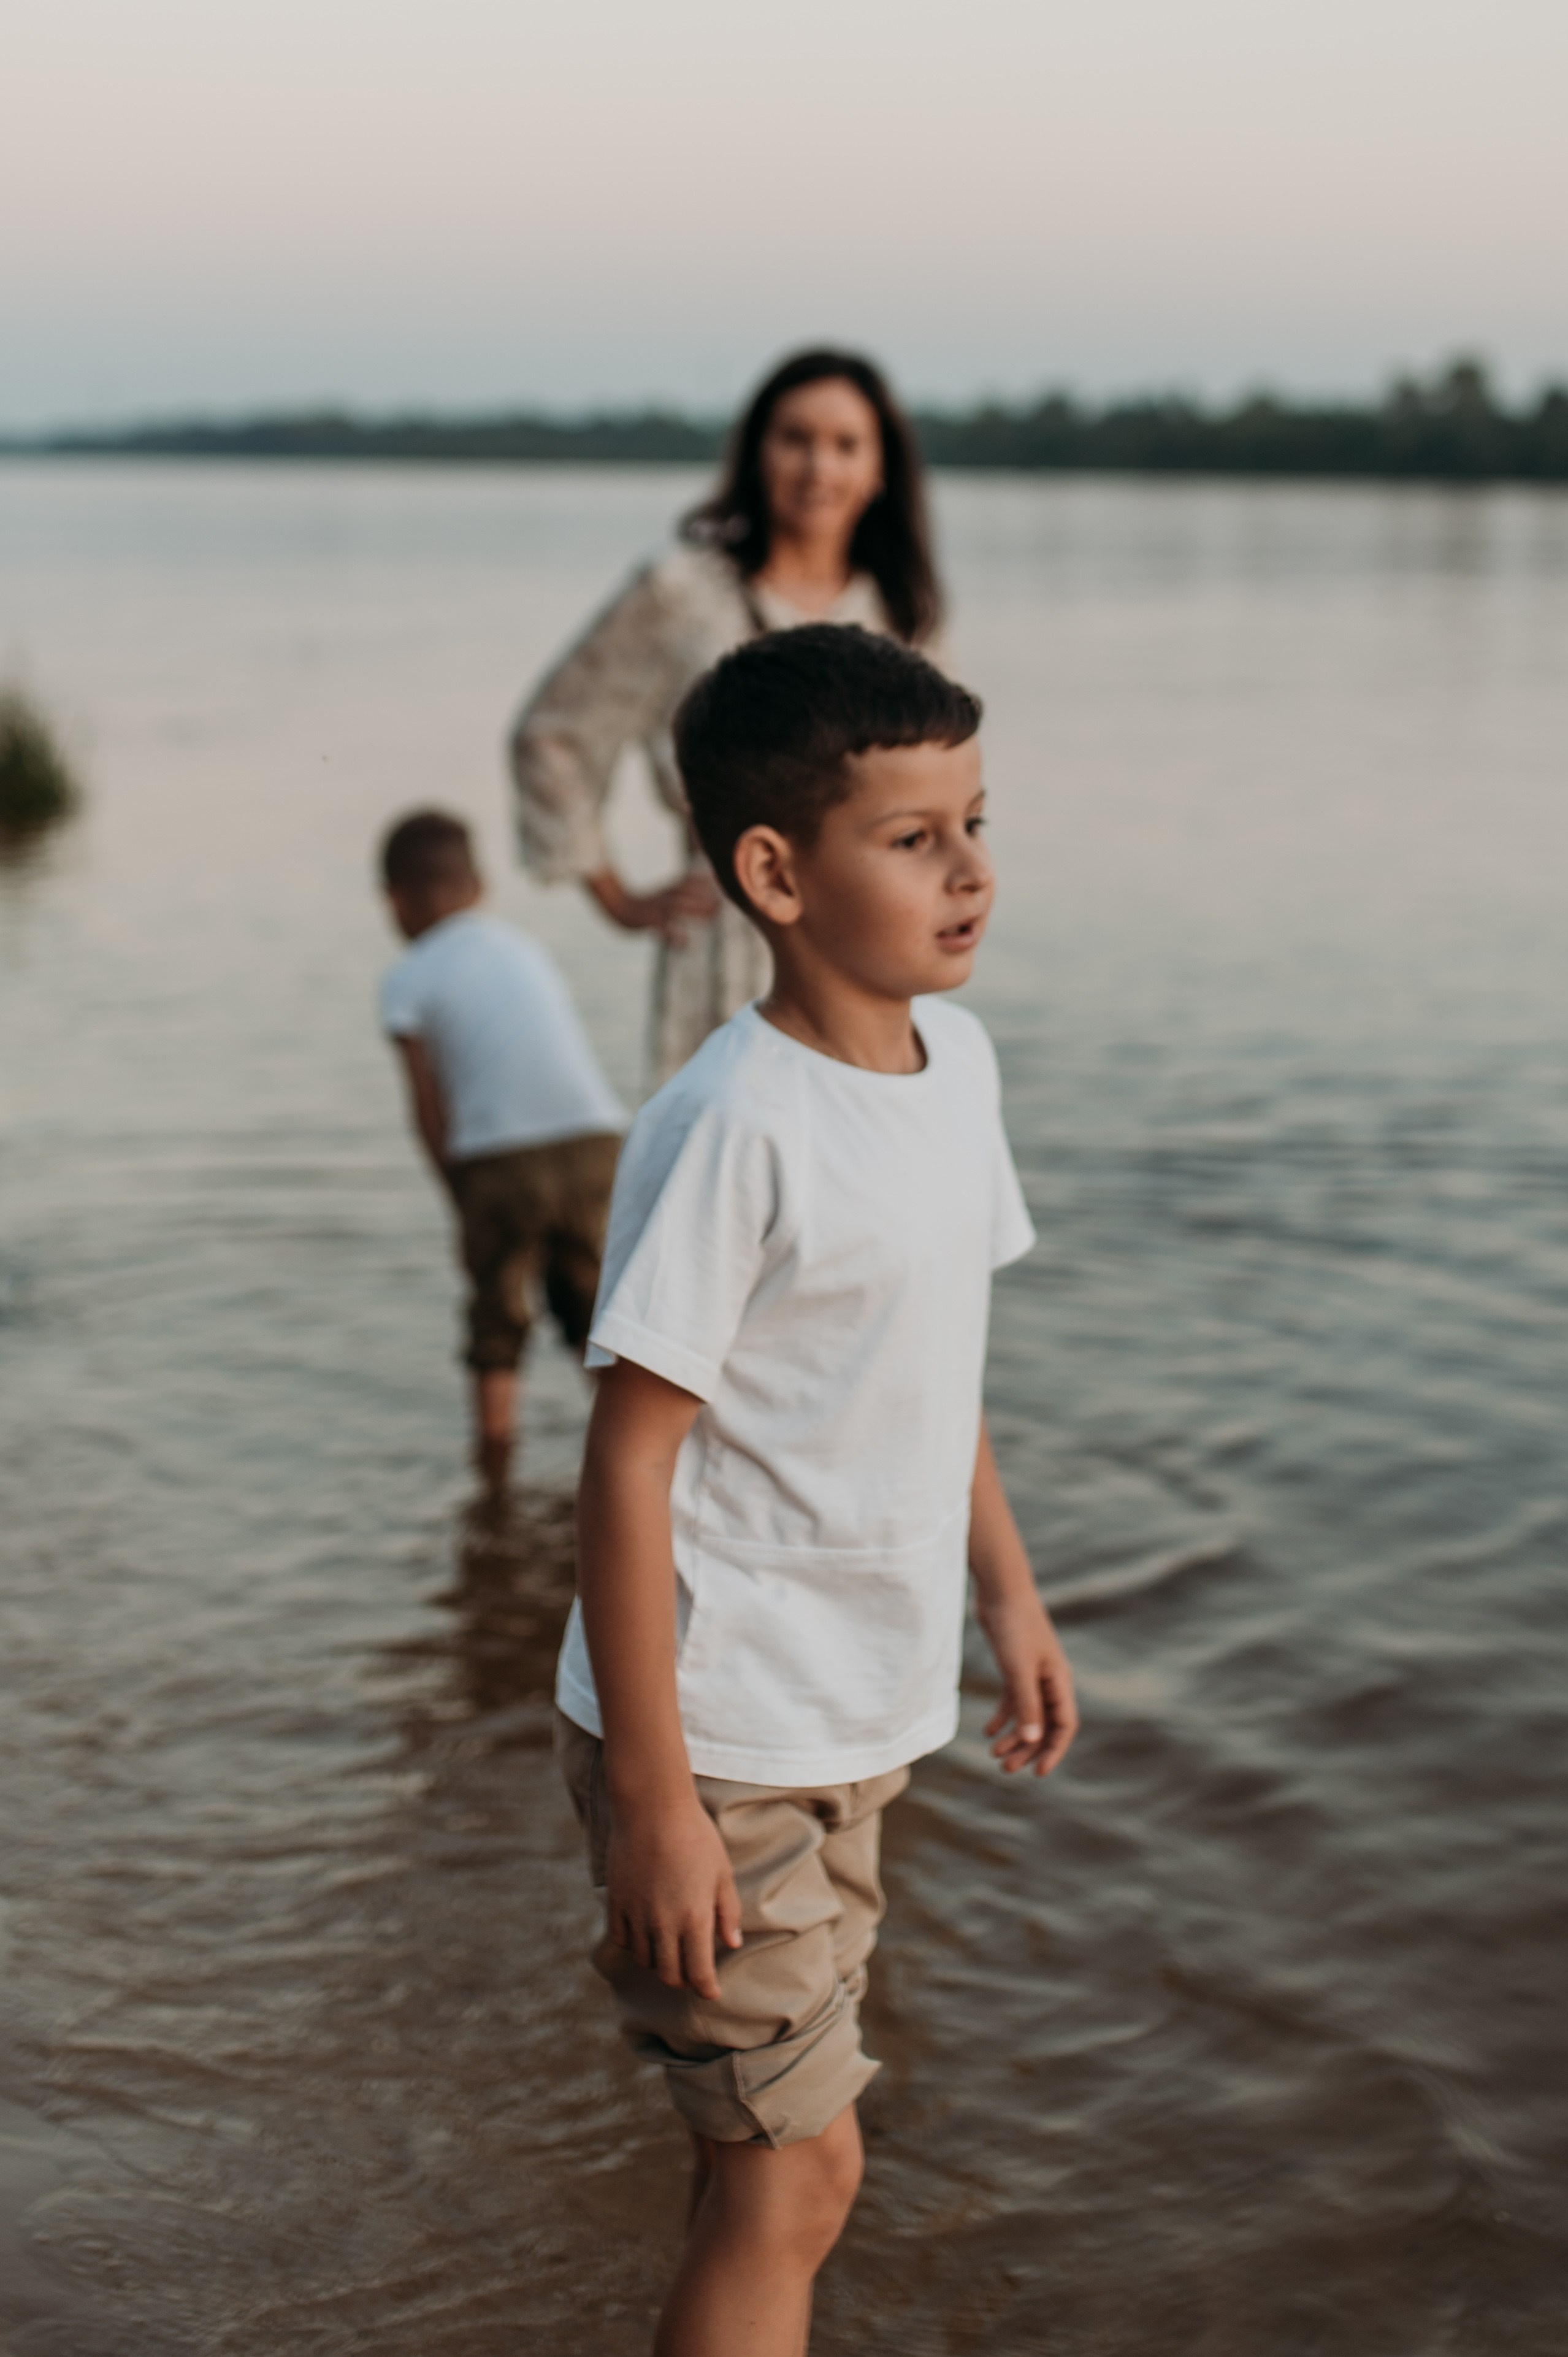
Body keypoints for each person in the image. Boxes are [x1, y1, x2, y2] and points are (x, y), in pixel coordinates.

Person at [554, 627, 1077, 2355]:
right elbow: (627, 1459)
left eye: (975, 822)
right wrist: (652, 1802)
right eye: (914, 837)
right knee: (799, 2179)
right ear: (773, 873)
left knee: (761, 2169)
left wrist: (1006, 1598)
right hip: (718, 1734)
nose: (971, 870)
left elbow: (940, 1374)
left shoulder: (959, 1071)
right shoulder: (734, 1126)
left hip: (855, 1716)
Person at [509, 347, 944, 1089]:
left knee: (858, 1176)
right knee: (720, 1168)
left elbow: (935, 787)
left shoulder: (897, 611)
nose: (818, 467)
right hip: (724, 934)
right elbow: (553, 732)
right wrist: (615, 894)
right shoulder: (680, 591)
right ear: (756, 452)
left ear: (879, 469)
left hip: (870, 934)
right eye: (795, 439)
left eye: (845, 445)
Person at [377, 809, 626, 1493]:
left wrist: (456, 1193)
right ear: (480, 887)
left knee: (496, 1311)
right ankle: (632, 1457)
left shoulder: (407, 977)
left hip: (498, 1157)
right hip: (596, 1141)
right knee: (594, 1303)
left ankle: (494, 1471)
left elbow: (428, 1107)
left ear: (394, 900)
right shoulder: (523, 948)